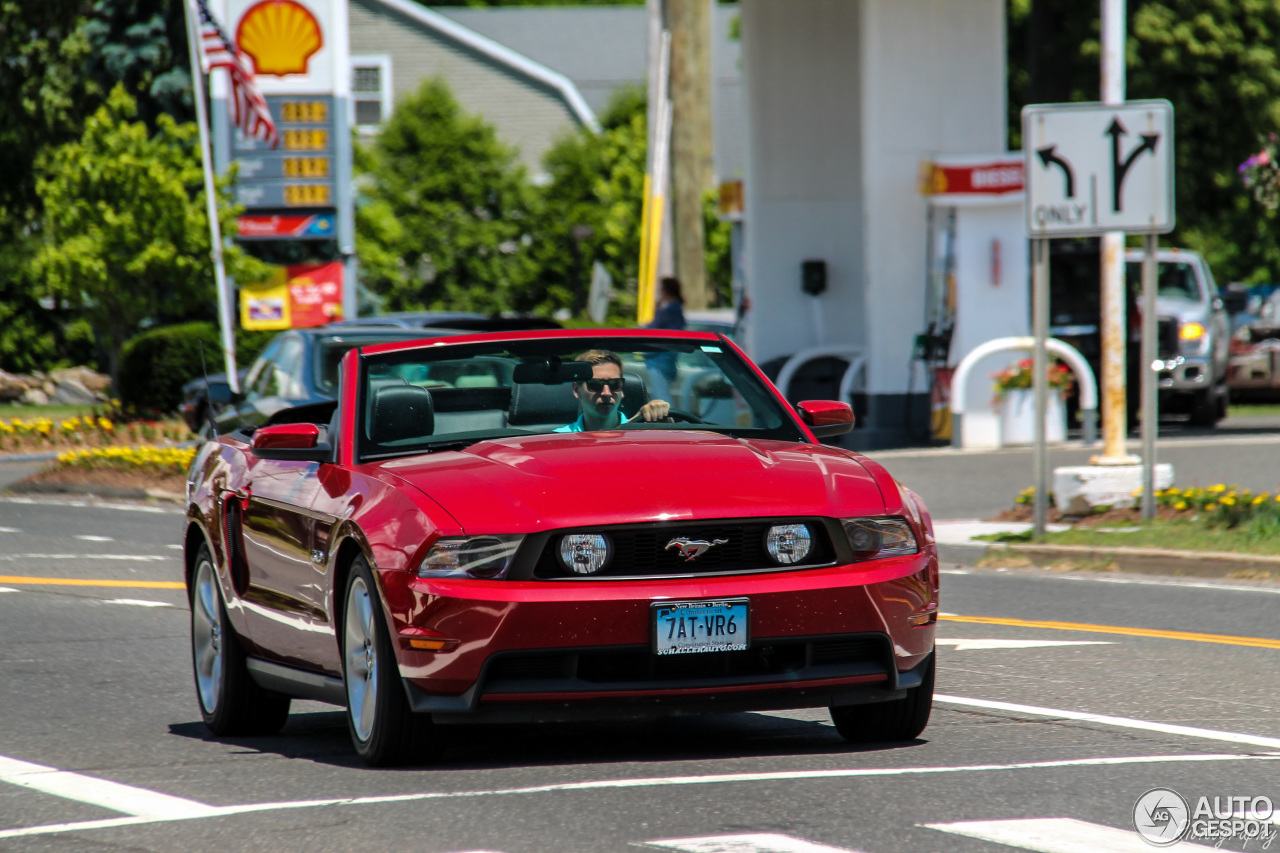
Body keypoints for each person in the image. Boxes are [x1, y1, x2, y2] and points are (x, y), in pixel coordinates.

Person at [556, 349, 670, 432]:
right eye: (595, 385)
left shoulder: (645, 433)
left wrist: (665, 420)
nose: (606, 392)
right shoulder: (557, 440)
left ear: (622, 390)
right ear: (576, 390)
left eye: (615, 384)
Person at [643, 276, 685, 402]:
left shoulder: (669, 310)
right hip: (667, 359)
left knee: (662, 397)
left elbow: (652, 330)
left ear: (665, 290)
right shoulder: (676, 309)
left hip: (659, 359)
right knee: (660, 394)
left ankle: (668, 420)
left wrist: (657, 308)